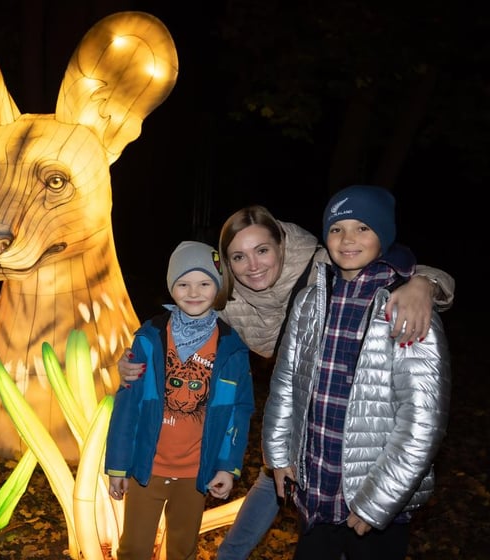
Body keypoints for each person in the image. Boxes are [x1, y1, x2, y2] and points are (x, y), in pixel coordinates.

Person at [118, 202, 455, 559]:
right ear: (226, 264)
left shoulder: (322, 264)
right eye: (238, 257)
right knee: (276, 478)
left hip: (352, 409)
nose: (253, 266)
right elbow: (181, 320)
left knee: (333, 511)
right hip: (299, 406)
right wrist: (131, 361)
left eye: (262, 250)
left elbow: (389, 261)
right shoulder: (226, 298)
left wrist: (423, 284)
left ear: (281, 245)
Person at [263, 184, 451, 559]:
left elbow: (421, 422)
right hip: (316, 490)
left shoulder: (407, 310)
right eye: (337, 229)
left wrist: (377, 502)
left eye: (363, 227)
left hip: (372, 502)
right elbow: (286, 383)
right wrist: (278, 454)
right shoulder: (310, 300)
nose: (348, 239)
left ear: (384, 235)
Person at [105, 241, 255, 560]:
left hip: (196, 473)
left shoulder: (232, 348)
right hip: (147, 468)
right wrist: (117, 464)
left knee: (183, 549)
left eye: (204, 284)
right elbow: (127, 406)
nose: (193, 292)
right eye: (183, 284)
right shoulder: (149, 338)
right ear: (171, 288)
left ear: (217, 288)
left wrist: (227, 467)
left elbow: (239, 413)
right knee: (133, 549)